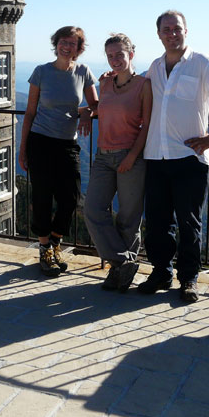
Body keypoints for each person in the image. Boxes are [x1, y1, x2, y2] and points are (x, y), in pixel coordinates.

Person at [138, 10, 209, 303]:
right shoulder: (155, 67)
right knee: (157, 221)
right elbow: (138, 95)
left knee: (188, 221)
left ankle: (189, 279)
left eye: (177, 28)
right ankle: (160, 272)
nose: (172, 33)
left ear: (186, 31)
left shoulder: (202, 63)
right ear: (158, 34)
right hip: (156, 155)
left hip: (189, 157)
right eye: (166, 29)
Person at [19, 26, 98, 277]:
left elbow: (95, 105)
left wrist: (86, 112)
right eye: (63, 42)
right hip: (40, 141)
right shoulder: (41, 72)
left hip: (67, 144)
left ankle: (54, 242)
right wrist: (23, 150)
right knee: (42, 197)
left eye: (72, 43)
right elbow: (30, 113)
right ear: (56, 44)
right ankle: (45, 250)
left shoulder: (84, 72)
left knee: (71, 198)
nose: (67, 47)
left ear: (79, 48)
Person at [84, 34, 152, 292]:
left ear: (131, 54)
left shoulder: (144, 85)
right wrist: (86, 112)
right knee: (93, 209)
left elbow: (146, 124)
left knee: (128, 218)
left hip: (130, 156)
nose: (115, 60)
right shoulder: (106, 83)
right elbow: (102, 109)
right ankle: (125, 262)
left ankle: (119, 275)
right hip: (103, 155)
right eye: (110, 56)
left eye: (119, 55)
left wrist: (133, 156)